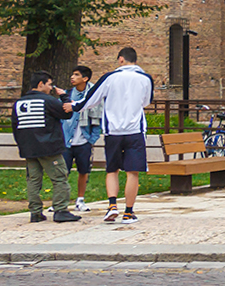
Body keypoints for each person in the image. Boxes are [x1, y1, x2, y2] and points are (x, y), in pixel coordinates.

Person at [68, 47, 154, 224]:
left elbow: (91, 99)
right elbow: (147, 101)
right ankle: (129, 212)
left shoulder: (110, 77)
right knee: (132, 172)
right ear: (135, 60)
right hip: (134, 130)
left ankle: (112, 206)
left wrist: (74, 106)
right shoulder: (145, 78)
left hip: (113, 131)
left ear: (121, 59)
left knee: (112, 169)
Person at [12, 72, 80, 223]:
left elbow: (15, 126)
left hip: (28, 147)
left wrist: (22, 145)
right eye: (49, 84)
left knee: (33, 180)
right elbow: (66, 113)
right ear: (41, 84)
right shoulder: (48, 100)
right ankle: (61, 210)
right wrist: (64, 97)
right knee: (60, 178)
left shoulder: (19, 103)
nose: (51, 88)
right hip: (49, 147)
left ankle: (35, 212)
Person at [62, 65, 103, 213]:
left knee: (83, 170)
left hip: (83, 140)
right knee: (62, 172)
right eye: (72, 74)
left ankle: (80, 199)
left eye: (76, 75)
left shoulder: (93, 96)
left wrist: (92, 139)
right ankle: (60, 201)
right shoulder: (67, 94)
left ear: (85, 78)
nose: (72, 77)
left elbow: (99, 117)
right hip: (67, 140)